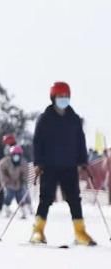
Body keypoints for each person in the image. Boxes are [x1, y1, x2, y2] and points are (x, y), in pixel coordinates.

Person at [30, 82, 95, 245]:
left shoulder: (74, 119)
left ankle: (80, 233)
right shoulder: (45, 119)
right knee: (45, 199)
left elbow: (80, 141)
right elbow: (37, 142)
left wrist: (83, 161)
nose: (64, 99)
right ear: (53, 98)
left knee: (74, 199)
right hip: (49, 166)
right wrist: (38, 162)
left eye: (66, 96)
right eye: (61, 96)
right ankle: (38, 231)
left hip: (69, 166)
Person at [0, 145, 32, 218]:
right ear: (11, 155)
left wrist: (24, 180)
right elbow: (0, 168)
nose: (16, 156)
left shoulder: (23, 162)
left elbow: (25, 172)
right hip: (9, 182)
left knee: (20, 196)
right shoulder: (6, 161)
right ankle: (6, 210)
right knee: (9, 195)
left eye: (18, 154)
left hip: (18, 182)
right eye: (14, 154)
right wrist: (5, 178)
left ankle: (23, 212)